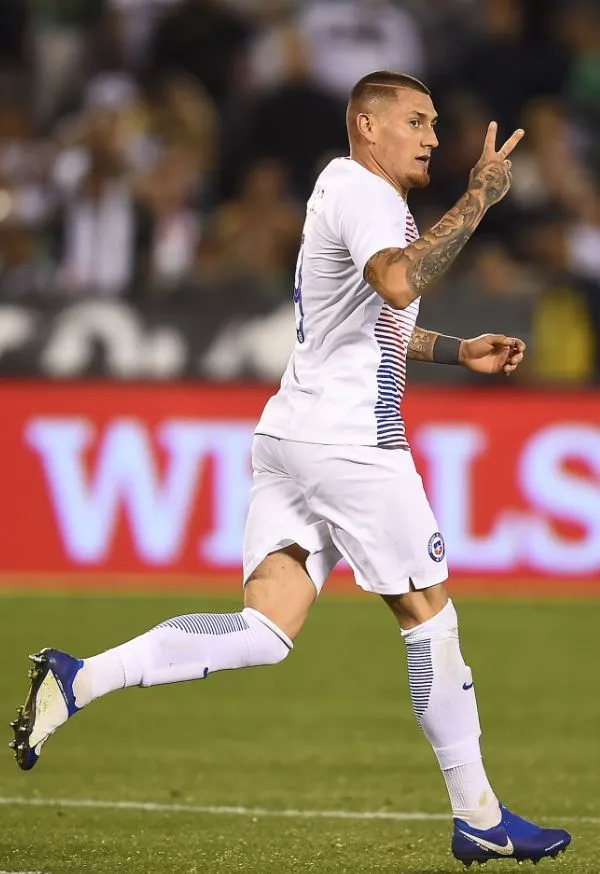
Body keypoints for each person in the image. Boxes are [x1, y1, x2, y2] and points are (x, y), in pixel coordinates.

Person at [10, 71, 570, 867]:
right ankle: (478, 814)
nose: (434, 137)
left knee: (266, 629)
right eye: (417, 120)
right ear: (367, 126)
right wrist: (481, 197)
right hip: (350, 444)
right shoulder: (365, 195)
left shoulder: (349, 196)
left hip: (292, 435)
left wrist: (456, 349)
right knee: (429, 614)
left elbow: (377, 320)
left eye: (436, 123)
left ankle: (79, 679)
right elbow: (400, 279)